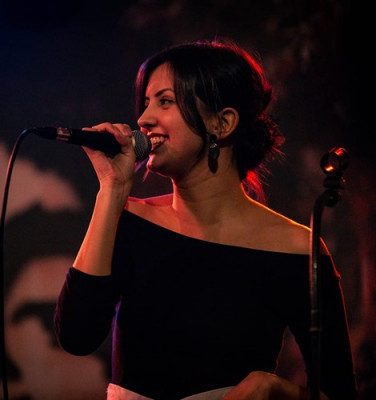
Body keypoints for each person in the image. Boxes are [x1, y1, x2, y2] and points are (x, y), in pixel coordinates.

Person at [53, 39, 358, 400]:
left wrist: (275, 389)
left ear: (222, 123)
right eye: (146, 102)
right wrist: (111, 190)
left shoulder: (297, 250)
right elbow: (76, 336)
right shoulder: (130, 219)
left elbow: (339, 393)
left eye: (165, 101)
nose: (144, 118)